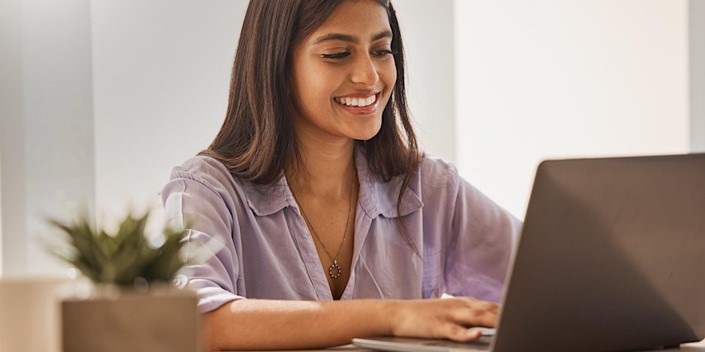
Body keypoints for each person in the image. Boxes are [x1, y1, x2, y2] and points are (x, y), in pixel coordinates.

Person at [161, 0, 521, 349]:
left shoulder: (430, 186)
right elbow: (198, 321)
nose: (370, 76)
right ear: (278, 68)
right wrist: (393, 316)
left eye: (381, 50)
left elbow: (555, 284)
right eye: (337, 54)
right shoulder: (207, 190)